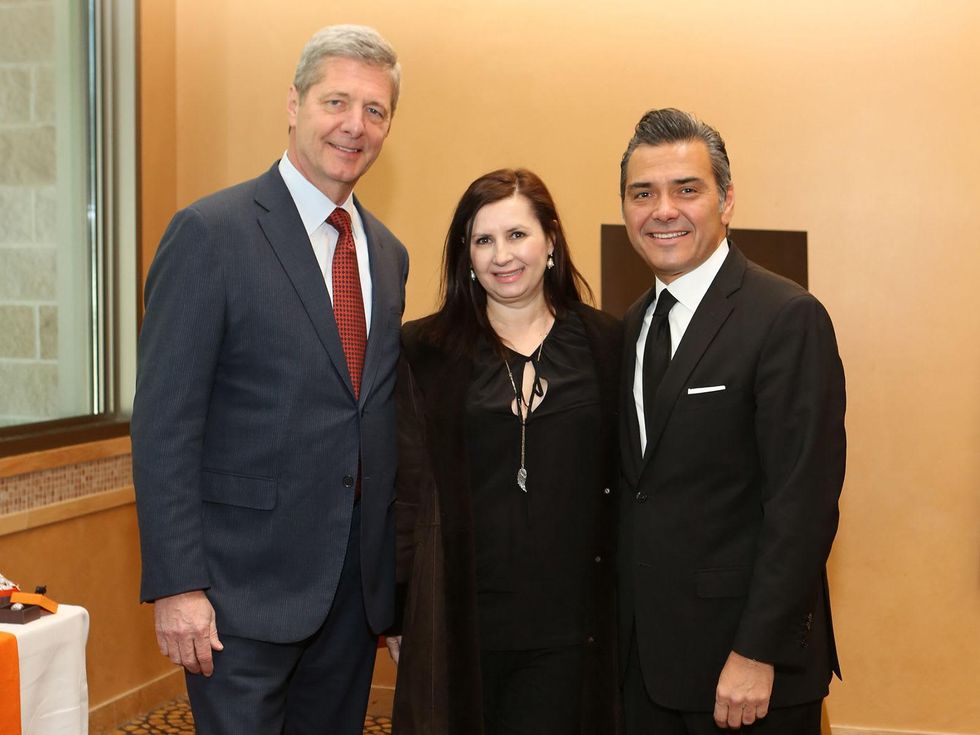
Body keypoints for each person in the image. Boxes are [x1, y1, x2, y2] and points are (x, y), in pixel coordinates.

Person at [130, 25, 408, 735]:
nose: (354, 125)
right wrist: (178, 584)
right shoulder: (210, 233)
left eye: (375, 110)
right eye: (336, 101)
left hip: (351, 599)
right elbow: (165, 424)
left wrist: (395, 587)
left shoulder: (388, 253)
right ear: (293, 103)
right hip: (236, 598)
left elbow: (372, 418)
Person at [617, 108, 846, 733]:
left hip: (744, 672)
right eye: (643, 193)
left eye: (686, 189)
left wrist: (756, 651)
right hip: (646, 666)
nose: (663, 210)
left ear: (727, 201)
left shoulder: (787, 317)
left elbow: (803, 504)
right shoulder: (632, 324)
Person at [387, 169, 622, 734]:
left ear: (550, 242)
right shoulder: (424, 351)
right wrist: (398, 609)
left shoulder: (607, 344)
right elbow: (405, 490)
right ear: (465, 256)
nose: (502, 256)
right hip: (462, 621)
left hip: (576, 627)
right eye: (483, 240)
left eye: (517, 235)